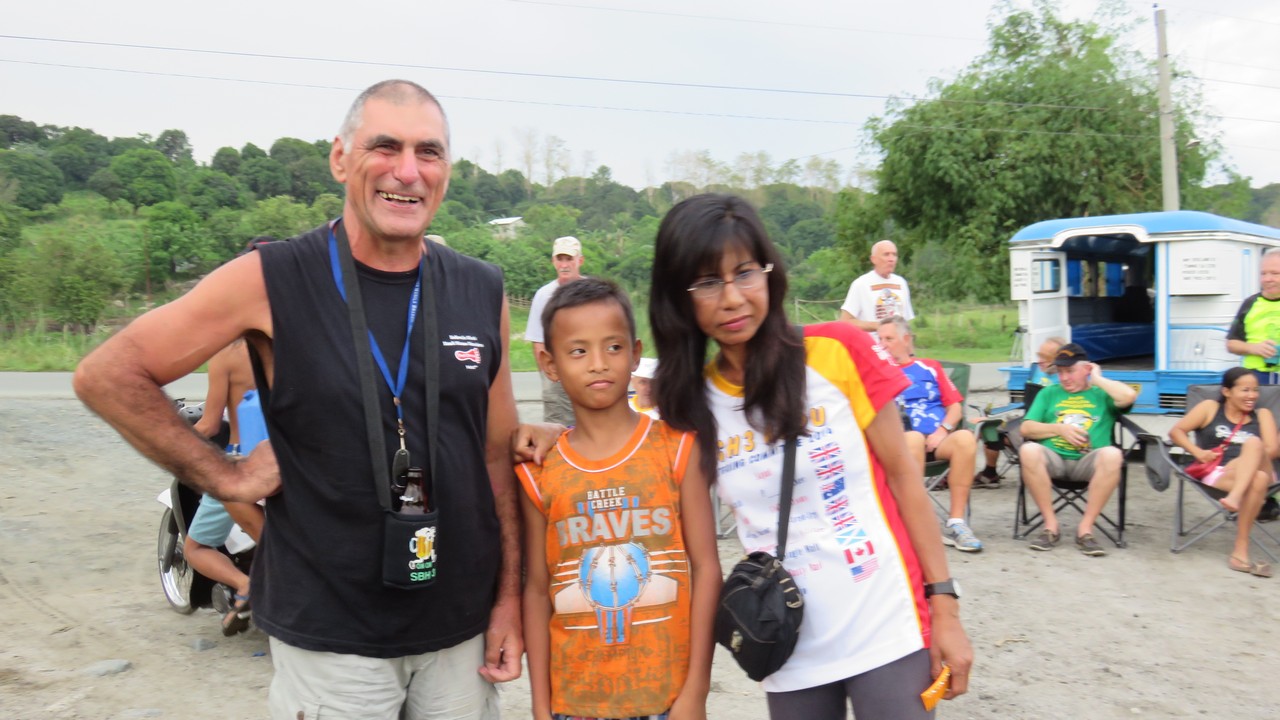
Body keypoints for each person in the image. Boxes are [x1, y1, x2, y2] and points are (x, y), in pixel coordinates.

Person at [74, 80, 522, 719]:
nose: (408, 171)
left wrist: (508, 600)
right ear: (340, 158)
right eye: (385, 147)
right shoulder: (272, 278)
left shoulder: (481, 288)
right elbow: (109, 374)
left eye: (429, 152)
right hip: (332, 636)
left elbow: (496, 459)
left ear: (446, 170)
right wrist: (224, 475)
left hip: (459, 631)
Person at [648, 194, 970, 719]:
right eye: (706, 282)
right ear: (678, 299)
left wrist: (945, 605)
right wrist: (545, 435)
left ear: (769, 273)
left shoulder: (839, 350)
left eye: (745, 273)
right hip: (783, 640)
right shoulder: (691, 404)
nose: (731, 298)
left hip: (886, 621)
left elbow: (905, 480)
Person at [517, 278, 719, 720]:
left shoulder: (677, 449)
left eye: (613, 347)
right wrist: (540, 706)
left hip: (668, 700)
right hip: (575, 702)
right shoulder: (538, 471)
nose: (598, 364)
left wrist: (696, 692)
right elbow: (536, 589)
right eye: (578, 351)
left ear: (635, 353)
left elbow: (706, 568)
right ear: (550, 364)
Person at [1018, 343, 1138, 557]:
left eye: (1070, 371)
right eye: (1060, 372)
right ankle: (1050, 526)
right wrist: (1059, 429)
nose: (1064, 378)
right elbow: (1026, 428)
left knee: (1113, 454)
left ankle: (1085, 529)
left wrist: (1098, 379)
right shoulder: (1048, 393)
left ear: (1086, 369)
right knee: (1028, 450)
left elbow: (1129, 396)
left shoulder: (1102, 395)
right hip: (1053, 460)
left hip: (1088, 462)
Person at [877, 316, 983, 553]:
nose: (883, 344)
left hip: (938, 441)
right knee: (914, 438)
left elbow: (955, 407)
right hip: (900, 444)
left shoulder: (930, 367)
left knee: (965, 439)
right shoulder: (877, 371)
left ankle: (957, 523)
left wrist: (942, 430)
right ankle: (916, 523)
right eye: (880, 339)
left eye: (889, 339)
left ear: (906, 339)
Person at [186, 339, 267, 635]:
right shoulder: (293, 345)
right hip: (286, 461)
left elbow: (209, 424)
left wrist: (176, 443)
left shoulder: (226, 356)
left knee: (195, 547)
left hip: (242, 462)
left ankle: (244, 585)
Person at [1167, 367, 1275, 578]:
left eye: (1255, 390)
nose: (1252, 395)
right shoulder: (1209, 408)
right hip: (1221, 473)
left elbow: (1271, 450)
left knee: (1254, 444)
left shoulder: (1263, 415)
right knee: (1258, 479)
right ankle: (1240, 550)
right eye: (1245, 390)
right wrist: (1198, 452)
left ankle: (1235, 497)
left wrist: (1243, 460)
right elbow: (1176, 431)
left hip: (1261, 465)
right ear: (1227, 391)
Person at [973, 336, 1066, 484]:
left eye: (1045, 357)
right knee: (986, 425)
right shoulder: (1039, 371)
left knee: (991, 429)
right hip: (1028, 419)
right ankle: (989, 471)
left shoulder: (1065, 380)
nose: (1039, 360)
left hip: (1044, 428)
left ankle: (989, 473)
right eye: (1039, 356)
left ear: (1059, 359)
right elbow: (1027, 403)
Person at [526, 236, 585, 426]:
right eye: (560, 259)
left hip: (586, 371)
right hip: (557, 375)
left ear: (580, 260)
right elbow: (538, 340)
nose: (564, 265)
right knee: (558, 427)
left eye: (569, 259)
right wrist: (549, 377)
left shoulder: (592, 291)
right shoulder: (544, 295)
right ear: (553, 261)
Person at [839, 239, 913, 340]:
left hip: (897, 346)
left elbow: (906, 322)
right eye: (886, 254)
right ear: (873, 259)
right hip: (871, 345)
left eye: (894, 255)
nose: (891, 259)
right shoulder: (861, 284)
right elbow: (845, 321)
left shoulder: (901, 283)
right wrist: (878, 326)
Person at [1227, 248, 1280, 385]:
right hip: (1255, 379)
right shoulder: (1250, 303)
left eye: (1275, 273)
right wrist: (1254, 348)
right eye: (1263, 273)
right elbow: (1231, 343)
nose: (1267, 279)